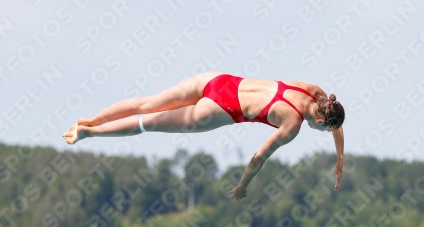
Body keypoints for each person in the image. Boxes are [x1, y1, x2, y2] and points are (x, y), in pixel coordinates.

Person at [63, 71, 345, 202]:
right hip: (217, 110)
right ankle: (90, 132)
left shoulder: (316, 92)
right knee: (146, 123)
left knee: (146, 103)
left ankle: (91, 118)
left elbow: (337, 122)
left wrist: (339, 158)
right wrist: (242, 186)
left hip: (218, 80)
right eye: (324, 130)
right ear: (319, 120)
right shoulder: (292, 124)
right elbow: (258, 158)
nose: (324, 132)